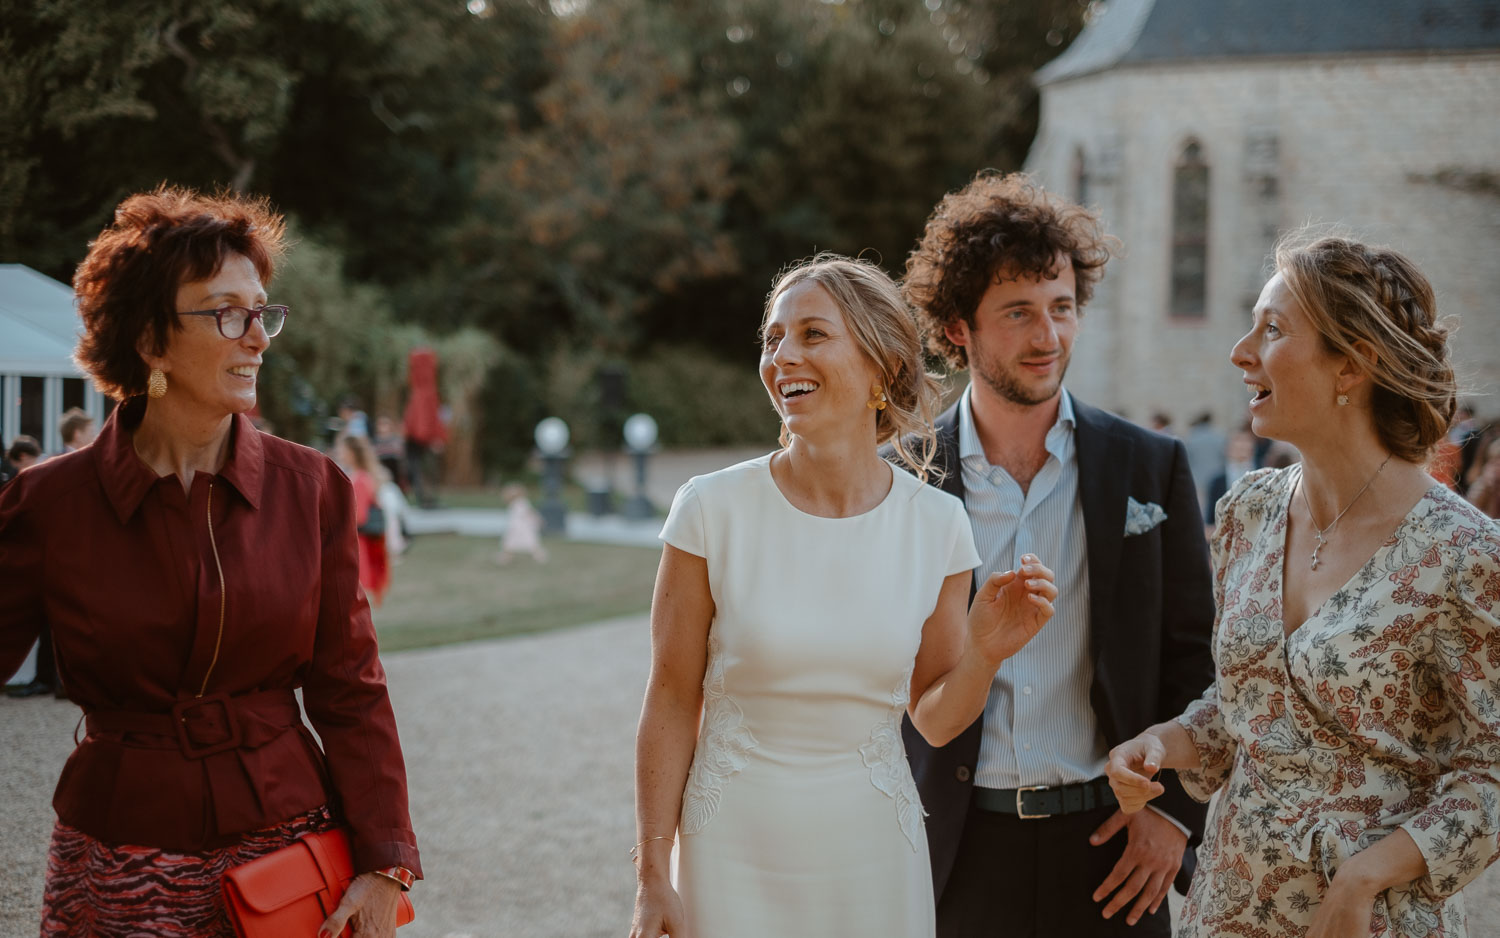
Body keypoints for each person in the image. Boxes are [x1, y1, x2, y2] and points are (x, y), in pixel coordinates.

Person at [0, 186, 420, 937]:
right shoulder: (49, 503)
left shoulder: (313, 488)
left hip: (288, 858)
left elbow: (351, 691)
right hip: (117, 863)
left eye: (263, 312)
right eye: (227, 312)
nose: (256, 337)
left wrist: (385, 863)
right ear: (151, 340)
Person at [629, 255, 1059, 938]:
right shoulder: (710, 510)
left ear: (880, 366)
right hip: (729, 852)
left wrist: (983, 653)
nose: (782, 357)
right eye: (773, 338)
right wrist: (654, 874)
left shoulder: (938, 524)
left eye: (811, 334)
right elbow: (672, 695)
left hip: (872, 861)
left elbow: (936, 720)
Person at [1106, 234, 1500, 937]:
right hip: (1229, 903)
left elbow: (1493, 773)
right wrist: (1163, 743)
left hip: (1364, 919)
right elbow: (1243, 712)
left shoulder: (1463, 553)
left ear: (1351, 366)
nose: (1241, 350)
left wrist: (1365, 877)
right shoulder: (1248, 511)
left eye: (1274, 329)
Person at [897, 171, 1216, 937]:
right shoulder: (902, 481)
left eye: (1062, 309)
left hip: (1113, 847)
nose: (1049, 338)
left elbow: (1197, 654)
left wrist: (1173, 813)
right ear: (956, 331)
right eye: (1018, 313)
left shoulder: (1151, 466)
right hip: (953, 849)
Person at [336, 434, 392, 607]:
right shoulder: (365, 476)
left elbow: (359, 517)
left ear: (352, 453)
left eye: (342, 450)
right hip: (362, 545)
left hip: (358, 546)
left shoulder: (359, 479)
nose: (339, 454)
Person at [497, 482, 547, 564]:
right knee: (510, 543)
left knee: (529, 543)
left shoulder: (521, 502)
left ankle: (540, 556)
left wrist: (538, 520)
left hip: (522, 528)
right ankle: (505, 558)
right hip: (516, 528)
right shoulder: (515, 503)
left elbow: (529, 512)